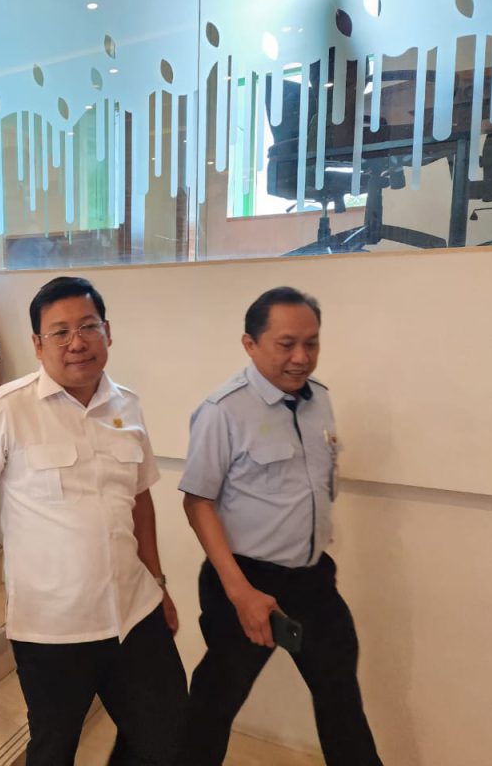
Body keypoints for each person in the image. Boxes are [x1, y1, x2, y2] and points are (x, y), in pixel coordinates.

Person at [0, 277, 188, 766]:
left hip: (134, 613)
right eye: (60, 332)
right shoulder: (5, 411)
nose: (77, 342)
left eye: (88, 327)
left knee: (171, 740)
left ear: (107, 332)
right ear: (37, 344)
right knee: (54, 751)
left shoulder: (127, 405)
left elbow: (139, 499)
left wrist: (158, 582)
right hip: (52, 630)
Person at [179, 286, 382, 765]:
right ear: (250, 344)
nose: (301, 357)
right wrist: (241, 593)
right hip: (245, 580)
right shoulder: (223, 410)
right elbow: (197, 502)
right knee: (214, 704)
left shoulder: (320, 400)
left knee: (340, 697)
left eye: (311, 343)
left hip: (313, 579)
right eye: (286, 344)